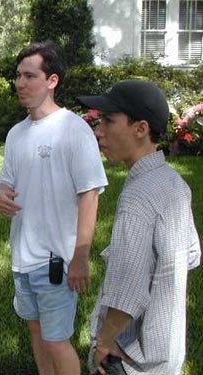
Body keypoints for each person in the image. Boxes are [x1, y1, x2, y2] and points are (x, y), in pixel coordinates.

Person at [0, 41, 108, 375]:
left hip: (56, 261)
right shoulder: (17, 134)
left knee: (57, 341)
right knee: (36, 333)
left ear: (52, 81)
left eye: (30, 76)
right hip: (21, 258)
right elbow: (5, 183)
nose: (20, 84)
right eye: (18, 76)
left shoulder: (74, 130)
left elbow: (90, 194)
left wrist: (80, 256)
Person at [77, 80, 201, 374]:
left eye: (108, 121)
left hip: (130, 358)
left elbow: (129, 291)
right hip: (166, 352)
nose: (98, 130)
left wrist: (105, 343)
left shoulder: (137, 197)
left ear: (141, 129)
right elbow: (193, 254)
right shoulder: (175, 183)